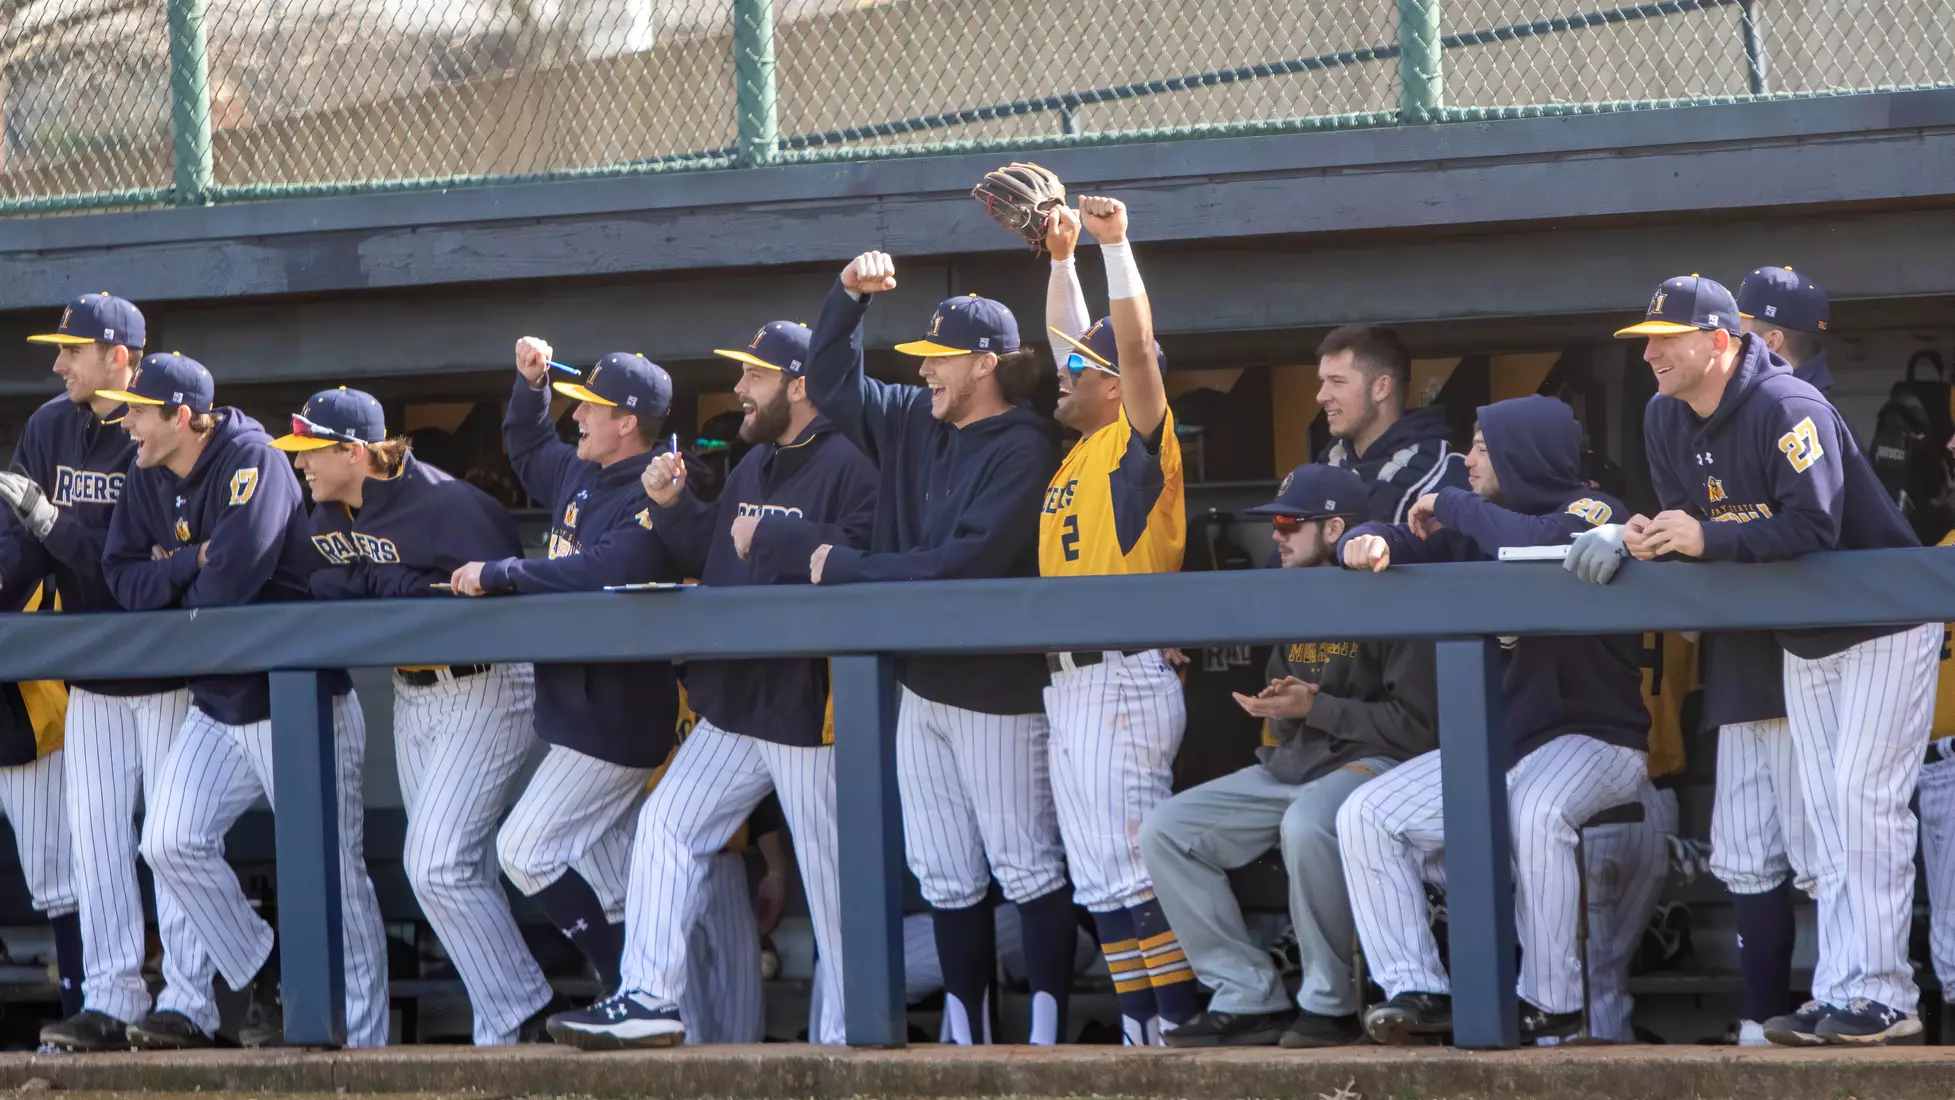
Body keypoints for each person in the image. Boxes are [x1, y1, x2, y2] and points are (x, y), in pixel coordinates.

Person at [1581, 275, 1934, 1045]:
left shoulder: (1788, 406)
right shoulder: (1663, 417)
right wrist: (1654, 539)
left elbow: (1811, 525)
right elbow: (1698, 527)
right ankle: (1844, 986)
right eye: (1643, 344)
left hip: (1882, 621)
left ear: (1715, 341)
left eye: (1663, 343)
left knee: (1858, 801)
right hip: (1799, 633)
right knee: (1827, 820)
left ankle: (1883, 994)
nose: (1649, 359)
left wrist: (1704, 539)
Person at [740, 255, 1079, 1047]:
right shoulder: (910, 421)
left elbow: (966, 562)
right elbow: (825, 379)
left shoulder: (1023, 446)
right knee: (945, 875)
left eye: (940, 358)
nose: (923, 369)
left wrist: (843, 565)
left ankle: (1047, 1046)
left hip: (997, 686)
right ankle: (968, 1044)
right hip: (921, 687)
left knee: (1026, 867)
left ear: (985, 364)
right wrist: (847, 299)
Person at [544, 319, 878, 1049]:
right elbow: (717, 559)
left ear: (800, 384)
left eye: (753, 376)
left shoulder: (852, 461)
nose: (737, 389)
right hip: (736, 702)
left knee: (834, 893)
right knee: (665, 828)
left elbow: (862, 570)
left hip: (807, 704)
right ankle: (650, 998)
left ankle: (847, 1050)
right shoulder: (754, 462)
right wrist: (676, 509)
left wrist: (786, 546)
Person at [1335, 394, 1650, 1046]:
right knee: (1365, 816)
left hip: (1596, 741)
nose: (1466, 458)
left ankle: (1552, 1002)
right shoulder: (1479, 519)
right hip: (1504, 750)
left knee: (1536, 810)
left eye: (1480, 446)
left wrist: (1450, 502)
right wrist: (1362, 542)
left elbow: (1538, 540)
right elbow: (1406, 545)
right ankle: (1416, 990)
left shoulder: (1595, 508)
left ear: (1520, 451)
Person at [99, 353, 386, 1048]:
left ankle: (369, 1046)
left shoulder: (248, 458)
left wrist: (174, 580)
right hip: (220, 701)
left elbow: (231, 584)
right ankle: (264, 968)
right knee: (168, 841)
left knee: (337, 877)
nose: (126, 422)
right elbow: (119, 578)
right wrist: (188, 566)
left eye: (139, 410)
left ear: (184, 418)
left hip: (299, 699)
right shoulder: (145, 474)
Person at [268, 386, 557, 1046]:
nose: (300, 465)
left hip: (483, 684)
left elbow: (484, 594)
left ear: (354, 451)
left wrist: (389, 587)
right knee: (460, 872)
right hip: (411, 693)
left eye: (310, 452)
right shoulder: (328, 514)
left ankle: (524, 1012)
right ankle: (504, 1042)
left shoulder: (449, 504)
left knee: (434, 866)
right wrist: (394, 585)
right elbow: (329, 587)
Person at [1139, 464, 1440, 1048]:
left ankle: (1330, 1000)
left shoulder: (1392, 591)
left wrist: (1316, 708)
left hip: (1378, 766)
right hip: (1300, 764)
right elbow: (1299, 696)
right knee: (1166, 830)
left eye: (1288, 523)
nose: (1275, 535)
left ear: (1335, 530)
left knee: (1306, 824)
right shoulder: (1294, 589)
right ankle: (1246, 993)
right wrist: (1280, 708)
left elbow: (1415, 729)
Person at [453, 343, 685, 1002]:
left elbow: (607, 569)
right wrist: (530, 387)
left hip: (617, 716)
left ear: (628, 422)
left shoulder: (655, 485)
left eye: (591, 408)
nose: (577, 418)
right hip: (575, 710)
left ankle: (625, 985)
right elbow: (527, 448)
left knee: (524, 849)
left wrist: (503, 574)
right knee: (616, 887)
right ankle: (652, 1003)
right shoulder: (582, 470)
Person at [0, 295, 189, 1053]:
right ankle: (111, 999)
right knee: (96, 843)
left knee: (174, 842)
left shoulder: (153, 432)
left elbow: (130, 568)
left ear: (119, 357)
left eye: (71, 350)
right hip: (92, 676)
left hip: (168, 665)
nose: (57, 363)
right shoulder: (50, 425)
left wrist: (51, 521)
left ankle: (190, 999)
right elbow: (20, 551)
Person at [1034, 195, 1201, 1046]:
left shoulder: (1141, 440)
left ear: (1109, 388)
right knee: (1099, 880)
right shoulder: (1081, 444)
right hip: (1074, 685)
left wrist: (1116, 247)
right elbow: (1083, 344)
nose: (1059, 376)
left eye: (1076, 373)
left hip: (1123, 675)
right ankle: (1142, 1038)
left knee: (1133, 872)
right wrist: (1061, 260)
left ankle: (1174, 1032)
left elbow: (1128, 349)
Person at [1314, 325, 1469, 524]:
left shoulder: (1446, 473)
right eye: (1322, 382)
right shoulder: (1322, 468)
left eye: (1337, 382)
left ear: (1381, 388)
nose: (1321, 396)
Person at [1737, 265, 1833, 392]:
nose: (1731, 337)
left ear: (1771, 342)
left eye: (1739, 330)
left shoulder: (1791, 408)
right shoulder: (1782, 399)